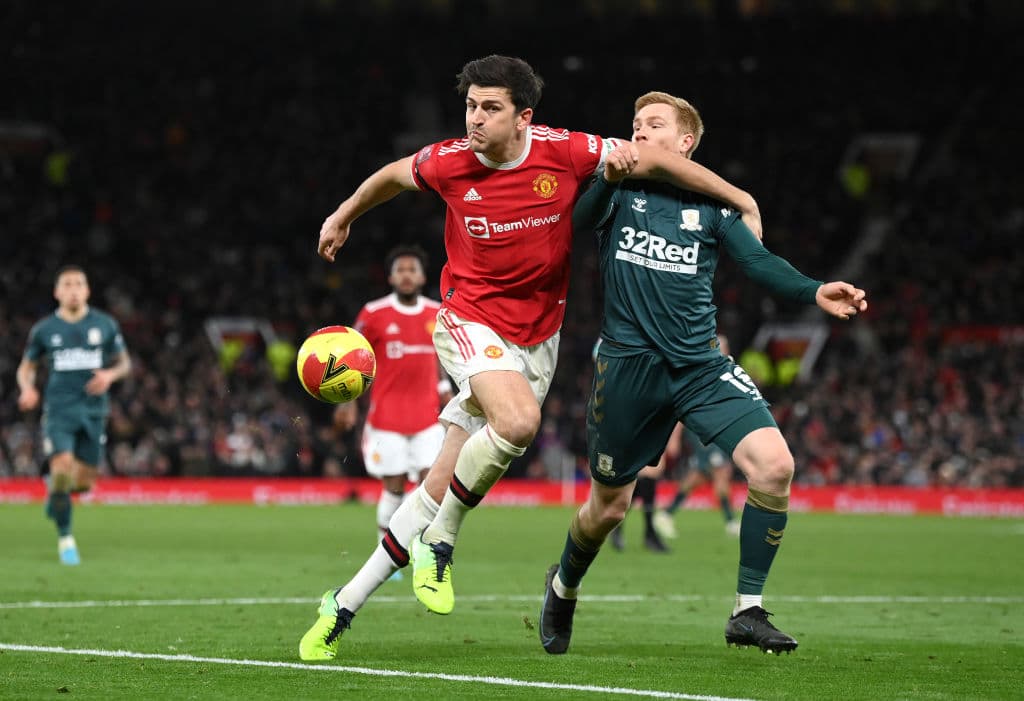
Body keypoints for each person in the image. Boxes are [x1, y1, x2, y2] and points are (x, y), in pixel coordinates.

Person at [300, 55, 762, 660]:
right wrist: (342, 216)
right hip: (468, 317)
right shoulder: (448, 162)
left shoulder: (564, 151)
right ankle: (441, 543)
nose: (475, 119)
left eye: (490, 108)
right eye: (470, 106)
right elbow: (390, 175)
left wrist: (740, 198)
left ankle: (342, 606)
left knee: (440, 483)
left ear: (524, 117)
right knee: (517, 423)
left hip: (538, 337)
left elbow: (650, 159)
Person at [539, 91, 867, 656]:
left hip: (698, 365)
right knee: (608, 509)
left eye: (654, 125)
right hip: (627, 369)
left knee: (775, 465)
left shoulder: (713, 212)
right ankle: (564, 585)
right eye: (635, 124)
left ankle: (747, 611)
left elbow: (760, 264)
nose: (639, 132)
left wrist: (815, 290)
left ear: (685, 142)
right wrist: (609, 181)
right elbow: (573, 225)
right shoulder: (620, 192)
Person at [332, 245, 453, 578]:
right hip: (386, 418)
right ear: (390, 277)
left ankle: (422, 548)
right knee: (395, 486)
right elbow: (351, 359)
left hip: (428, 417)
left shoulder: (437, 312)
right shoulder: (374, 313)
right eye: (400, 270)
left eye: (412, 269)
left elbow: (442, 359)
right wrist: (347, 401)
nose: (406, 275)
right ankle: (385, 547)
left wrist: (446, 393)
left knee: (431, 486)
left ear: (423, 276)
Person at [16, 265, 131, 565]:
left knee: (83, 484)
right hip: (59, 411)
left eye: (78, 283)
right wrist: (27, 389)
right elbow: (26, 367)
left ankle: (56, 496)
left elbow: (124, 363)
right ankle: (66, 540)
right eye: (66, 284)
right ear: (57, 292)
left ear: (87, 290)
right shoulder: (44, 330)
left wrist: (110, 375)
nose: (73, 289)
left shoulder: (105, 325)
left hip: (94, 411)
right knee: (63, 465)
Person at [654, 336, 742, 539]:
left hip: (714, 429)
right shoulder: (701, 369)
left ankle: (666, 514)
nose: (723, 349)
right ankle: (730, 522)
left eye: (725, 346)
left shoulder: (725, 368)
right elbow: (681, 403)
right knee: (721, 470)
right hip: (701, 430)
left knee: (699, 476)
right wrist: (674, 438)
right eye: (720, 345)